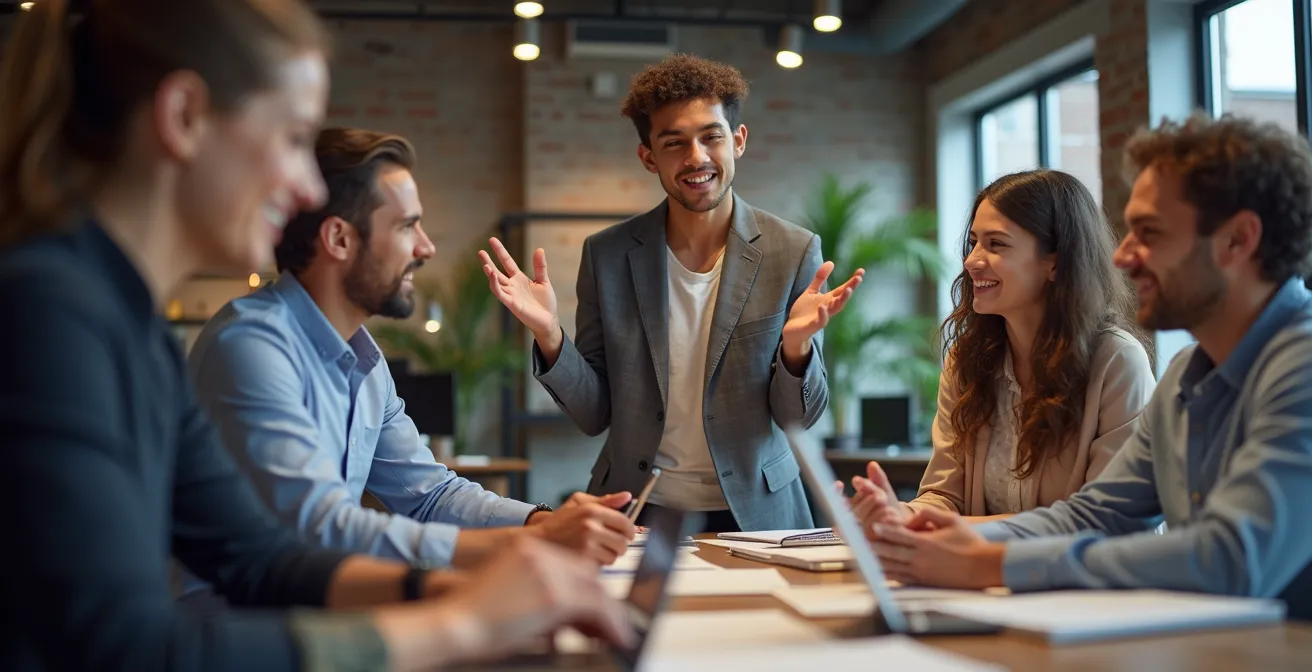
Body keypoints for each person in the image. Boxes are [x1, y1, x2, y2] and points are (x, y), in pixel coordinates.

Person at [0, 1, 631, 669]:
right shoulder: (45, 314)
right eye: (294, 139)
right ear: (184, 117)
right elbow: (122, 646)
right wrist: (462, 620)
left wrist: (478, 586)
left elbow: (258, 554)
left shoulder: (131, 326)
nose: (306, 188)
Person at [863, 114, 1312, 621]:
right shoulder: (1188, 374)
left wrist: (992, 564)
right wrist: (948, 535)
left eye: (1150, 233)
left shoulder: (1301, 367)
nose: (1122, 255)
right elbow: (1097, 513)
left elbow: (1230, 559)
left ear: (1237, 241)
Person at [185, 127, 636, 594]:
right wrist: (529, 543)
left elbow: (429, 495)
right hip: (227, 627)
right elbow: (318, 527)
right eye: (406, 226)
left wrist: (542, 520)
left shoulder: (365, 361)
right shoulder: (251, 347)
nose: (426, 247)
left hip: (312, 612)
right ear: (339, 238)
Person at [480, 53, 863, 533]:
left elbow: (796, 419)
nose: (696, 157)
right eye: (674, 143)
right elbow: (595, 413)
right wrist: (550, 336)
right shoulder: (608, 254)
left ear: (737, 141)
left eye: (711, 137)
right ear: (648, 158)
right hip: (638, 508)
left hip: (758, 511)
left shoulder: (794, 250)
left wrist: (795, 349)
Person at [845, 169, 1156, 528]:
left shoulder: (1117, 362)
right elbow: (946, 496)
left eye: (996, 244)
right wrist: (899, 514)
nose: (971, 260)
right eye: (974, 241)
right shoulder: (967, 361)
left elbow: (1109, 519)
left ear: (1055, 262)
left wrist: (967, 530)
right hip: (986, 580)